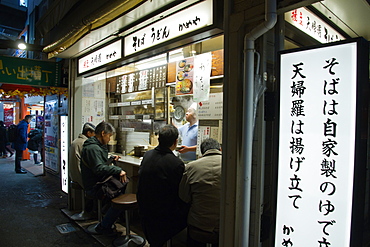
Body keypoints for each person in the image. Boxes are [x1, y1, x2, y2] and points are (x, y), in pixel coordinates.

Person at [137, 124, 189, 247]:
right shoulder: (176, 164)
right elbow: (180, 193)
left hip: (145, 211)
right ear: (175, 142)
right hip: (164, 216)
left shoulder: (147, 155)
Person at [80, 121, 127, 235]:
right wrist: (118, 170)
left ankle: (108, 215)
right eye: (109, 136)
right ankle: (105, 225)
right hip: (94, 186)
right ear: (102, 133)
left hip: (98, 181)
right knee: (120, 198)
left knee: (121, 186)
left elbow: (99, 164)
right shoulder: (93, 149)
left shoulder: (96, 146)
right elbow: (98, 169)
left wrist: (110, 159)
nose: (109, 139)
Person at [179, 138, 222, 247]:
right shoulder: (231, 165)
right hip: (226, 225)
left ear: (202, 152)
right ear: (220, 149)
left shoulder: (191, 167)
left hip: (198, 225)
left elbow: (184, 197)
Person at [69, 122, 96, 219]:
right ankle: (92, 212)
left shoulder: (76, 141)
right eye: (94, 133)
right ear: (88, 133)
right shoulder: (85, 143)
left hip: (73, 174)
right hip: (81, 176)